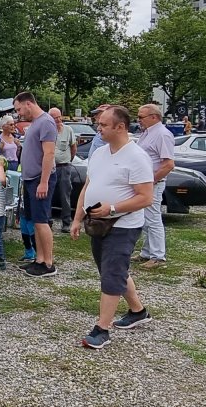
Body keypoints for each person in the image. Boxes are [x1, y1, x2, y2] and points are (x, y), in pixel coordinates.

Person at [73, 106, 155, 350]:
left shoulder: (137, 157)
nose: (98, 128)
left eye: (103, 125)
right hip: (98, 224)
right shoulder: (99, 153)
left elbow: (145, 197)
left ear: (120, 127)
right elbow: (88, 187)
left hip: (123, 225)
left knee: (111, 274)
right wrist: (77, 218)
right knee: (112, 270)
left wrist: (112, 208)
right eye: (99, 124)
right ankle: (138, 311)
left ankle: (102, 329)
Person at [16, 91, 59, 278]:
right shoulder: (35, 123)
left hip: (40, 179)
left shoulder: (46, 122)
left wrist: (43, 182)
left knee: (42, 221)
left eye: (19, 109)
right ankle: (39, 259)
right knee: (35, 221)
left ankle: (48, 263)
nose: (18, 113)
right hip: (30, 179)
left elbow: (49, 153)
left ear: (28, 104)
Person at [134, 103, 177, 268]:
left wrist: (151, 181)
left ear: (154, 117)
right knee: (146, 219)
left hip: (153, 183)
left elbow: (168, 164)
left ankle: (158, 256)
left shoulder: (162, 134)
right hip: (144, 183)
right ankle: (147, 252)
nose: (138, 120)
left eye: (141, 117)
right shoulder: (147, 133)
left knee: (153, 219)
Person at [48, 108, 77, 232]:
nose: (59, 120)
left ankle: (66, 223)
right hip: (50, 168)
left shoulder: (68, 130)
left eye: (59, 117)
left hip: (64, 167)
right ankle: (48, 221)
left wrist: (68, 161)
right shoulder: (47, 130)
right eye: (55, 118)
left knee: (65, 195)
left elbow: (73, 148)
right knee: (48, 195)